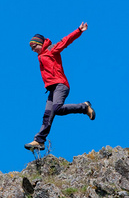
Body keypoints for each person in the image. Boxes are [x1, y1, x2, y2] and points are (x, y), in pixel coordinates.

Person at [25, 22, 95, 151]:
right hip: (52, 89)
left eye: (33, 46)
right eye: (30, 47)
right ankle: (39, 141)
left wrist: (79, 30)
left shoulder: (51, 50)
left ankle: (84, 107)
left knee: (57, 109)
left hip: (60, 85)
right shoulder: (41, 56)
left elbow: (65, 41)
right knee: (47, 114)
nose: (32, 49)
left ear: (40, 43)